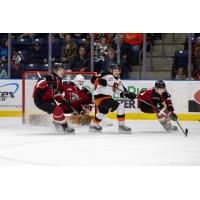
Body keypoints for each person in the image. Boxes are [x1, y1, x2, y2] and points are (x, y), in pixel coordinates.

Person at [89, 64, 136, 133]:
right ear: (112, 71)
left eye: (118, 70)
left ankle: (93, 125)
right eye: (115, 70)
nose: (117, 72)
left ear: (120, 71)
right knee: (120, 106)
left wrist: (128, 95)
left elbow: (120, 92)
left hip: (105, 98)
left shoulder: (119, 81)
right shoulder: (105, 74)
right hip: (101, 97)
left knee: (103, 113)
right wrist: (100, 81)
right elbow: (93, 79)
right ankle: (121, 126)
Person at [32, 64, 75, 133]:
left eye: (63, 69)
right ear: (55, 70)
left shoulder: (59, 80)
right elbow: (39, 83)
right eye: (60, 69)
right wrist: (49, 84)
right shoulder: (49, 76)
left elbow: (57, 94)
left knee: (58, 110)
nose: (63, 71)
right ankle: (65, 128)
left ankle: (58, 125)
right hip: (40, 100)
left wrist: (63, 101)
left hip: (48, 98)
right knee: (58, 109)